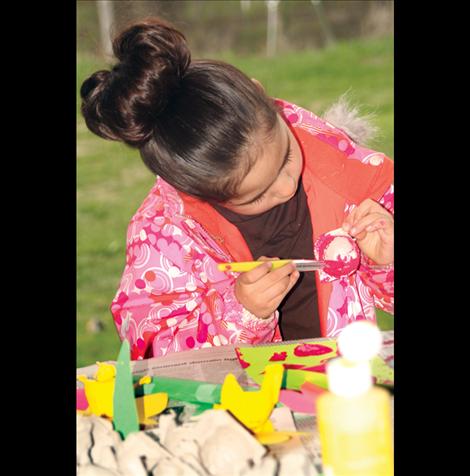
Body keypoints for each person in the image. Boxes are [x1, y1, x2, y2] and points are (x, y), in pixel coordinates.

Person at [80, 17, 394, 360]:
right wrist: (241, 313)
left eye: (287, 155)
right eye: (259, 195)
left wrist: (385, 261)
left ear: (261, 94)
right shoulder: (165, 238)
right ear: (197, 193)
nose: (287, 186)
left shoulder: (345, 169)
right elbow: (155, 356)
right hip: (242, 408)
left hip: (345, 387)